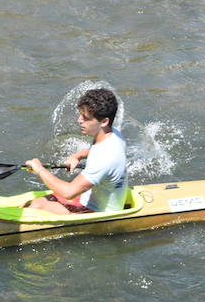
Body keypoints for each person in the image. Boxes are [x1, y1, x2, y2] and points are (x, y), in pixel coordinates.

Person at [25, 87, 128, 215]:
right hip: (91, 198)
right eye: (80, 115)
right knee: (33, 202)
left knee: (37, 205)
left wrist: (39, 169)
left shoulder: (106, 157)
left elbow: (68, 193)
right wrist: (77, 156)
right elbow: (95, 150)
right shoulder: (112, 134)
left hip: (99, 211)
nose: (79, 120)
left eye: (85, 118)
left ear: (104, 121)